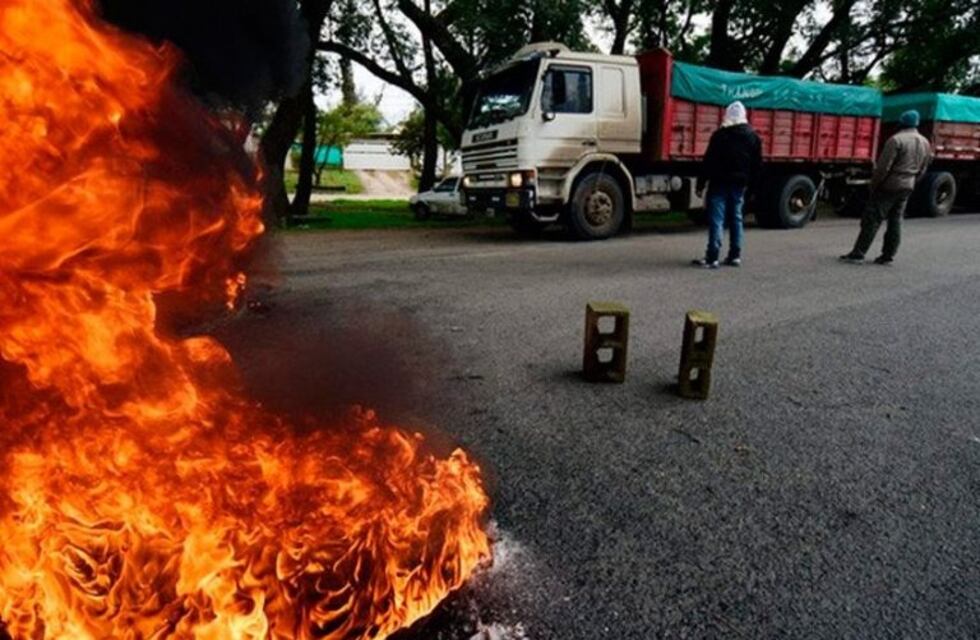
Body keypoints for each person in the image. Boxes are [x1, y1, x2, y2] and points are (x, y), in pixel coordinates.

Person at [840, 109, 932, 265]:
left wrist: (874, 185)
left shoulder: (896, 140)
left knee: (872, 219)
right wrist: (912, 182)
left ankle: (858, 254)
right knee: (895, 221)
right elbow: (923, 168)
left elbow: (883, 168)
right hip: (908, 185)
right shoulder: (925, 142)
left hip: (890, 185)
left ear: (901, 122)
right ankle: (888, 255)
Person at [692, 101, 762, 269]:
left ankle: (712, 257)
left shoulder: (720, 135)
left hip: (719, 182)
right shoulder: (753, 137)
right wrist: (752, 188)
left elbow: (708, 161)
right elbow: (757, 165)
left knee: (717, 219)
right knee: (736, 218)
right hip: (739, 184)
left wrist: (701, 184)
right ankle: (735, 255)